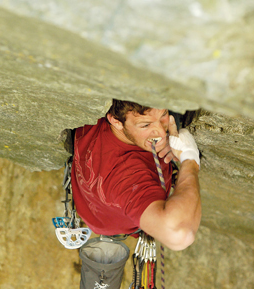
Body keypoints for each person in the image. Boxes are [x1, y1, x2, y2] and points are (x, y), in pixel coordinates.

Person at [70, 99, 201, 251]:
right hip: (124, 218)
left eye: (164, 114)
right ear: (116, 121)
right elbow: (179, 234)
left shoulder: (106, 116)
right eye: (145, 125)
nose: (160, 131)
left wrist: (171, 130)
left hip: (95, 208)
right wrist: (190, 159)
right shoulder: (127, 175)